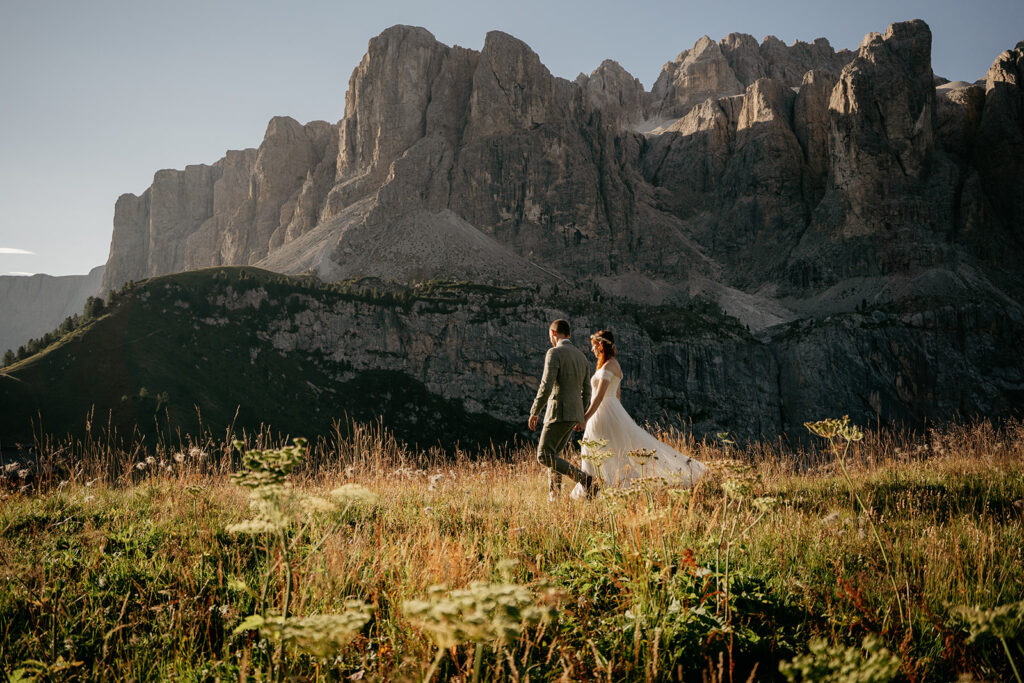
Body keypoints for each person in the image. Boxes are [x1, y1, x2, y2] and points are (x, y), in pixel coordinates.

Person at [570, 329, 706, 499]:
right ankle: (599, 489)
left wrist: (585, 418)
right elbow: (618, 394)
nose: (592, 350)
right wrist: (618, 416)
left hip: (603, 411)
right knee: (606, 450)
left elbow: (599, 396)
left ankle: (595, 491)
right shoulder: (614, 365)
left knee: (598, 449)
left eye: (594, 346)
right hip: (610, 411)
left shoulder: (609, 365)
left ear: (601, 345)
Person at [528, 319, 599, 501]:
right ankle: (554, 497)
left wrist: (535, 411)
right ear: (569, 334)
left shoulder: (554, 353)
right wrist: (581, 415)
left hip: (558, 411)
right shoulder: (582, 357)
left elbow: (546, 385)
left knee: (543, 455)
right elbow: (587, 390)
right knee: (555, 455)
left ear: (553, 334)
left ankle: (585, 480)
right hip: (574, 414)